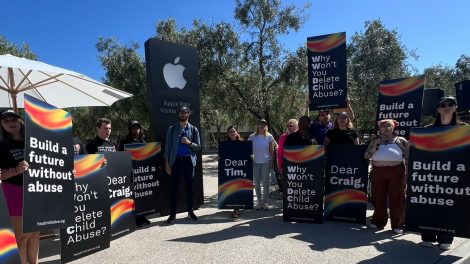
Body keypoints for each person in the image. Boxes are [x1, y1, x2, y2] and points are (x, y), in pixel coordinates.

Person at [420, 96, 469, 250]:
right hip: (430, 175)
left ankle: (446, 238)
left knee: (449, 205)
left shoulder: (464, 129)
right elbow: (419, 151)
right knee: (429, 204)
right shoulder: (429, 129)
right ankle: (427, 235)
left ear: (456, 107)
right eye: (443, 104)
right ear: (438, 109)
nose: (447, 107)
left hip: (454, 175)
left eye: (451, 104)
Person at [0, 109, 39, 264]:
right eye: (6, 120)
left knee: (35, 233)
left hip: (36, 191)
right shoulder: (1, 145)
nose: (11, 123)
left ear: (20, 121)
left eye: (14, 119)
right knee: (21, 236)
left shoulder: (34, 141)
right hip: (14, 192)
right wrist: (16, 170)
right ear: (1, 124)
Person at [364, 119, 408, 234]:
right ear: (380, 128)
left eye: (389, 126)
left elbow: (408, 157)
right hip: (378, 170)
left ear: (393, 128)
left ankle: (398, 224)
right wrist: (373, 147)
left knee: (398, 197)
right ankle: (378, 221)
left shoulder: (401, 140)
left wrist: (407, 174)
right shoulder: (375, 141)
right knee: (378, 196)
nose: (387, 128)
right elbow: (366, 156)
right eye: (384, 126)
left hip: (396, 171)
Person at [165, 106, 201, 224]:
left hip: (189, 162)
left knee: (189, 188)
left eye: (184, 113)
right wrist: (167, 164)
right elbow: (167, 148)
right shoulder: (172, 129)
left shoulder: (194, 129)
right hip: (175, 162)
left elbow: (198, 147)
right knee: (173, 189)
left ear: (188, 115)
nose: (182, 115)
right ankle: (172, 214)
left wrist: (189, 142)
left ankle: (190, 211)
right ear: (178, 115)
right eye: (180, 113)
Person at [119, 120, 151, 227]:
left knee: (142, 195)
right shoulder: (124, 142)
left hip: (142, 174)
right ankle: (135, 219)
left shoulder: (143, 141)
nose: (136, 130)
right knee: (133, 196)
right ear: (130, 129)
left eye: (137, 128)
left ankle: (143, 217)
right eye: (133, 128)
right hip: (130, 174)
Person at [248, 119, 275, 210]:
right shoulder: (252, 137)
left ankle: (265, 202)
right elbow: (248, 150)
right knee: (257, 184)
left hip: (265, 163)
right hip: (255, 163)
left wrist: (271, 161)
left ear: (266, 126)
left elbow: (271, 151)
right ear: (257, 125)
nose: (262, 125)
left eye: (264, 124)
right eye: (260, 124)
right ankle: (259, 202)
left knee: (265, 183)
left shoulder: (269, 136)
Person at [225, 125, 244, 218]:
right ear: (228, 133)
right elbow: (223, 157)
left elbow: (246, 155)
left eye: (234, 131)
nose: (232, 133)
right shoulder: (225, 144)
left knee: (238, 188)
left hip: (240, 170)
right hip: (230, 170)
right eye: (230, 132)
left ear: (237, 132)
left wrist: (251, 157)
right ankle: (234, 207)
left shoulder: (242, 143)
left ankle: (237, 208)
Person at [276, 119, 298, 189]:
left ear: (296, 126)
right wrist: (279, 166)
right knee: (287, 186)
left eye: (291, 126)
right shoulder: (282, 137)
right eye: (287, 126)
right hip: (284, 165)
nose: (288, 127)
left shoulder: (299, 136)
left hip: (297, 165)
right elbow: (279, 152)